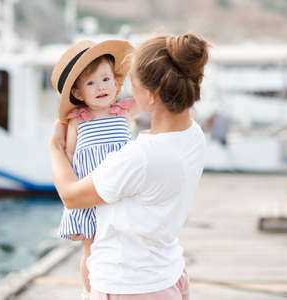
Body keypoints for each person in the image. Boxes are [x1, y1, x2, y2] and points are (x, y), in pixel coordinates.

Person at [50, 32, 209, 299]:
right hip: (167, 274)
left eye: (132, 83)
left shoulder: (138, 158)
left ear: (151, 95)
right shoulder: (193, 135)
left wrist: (55, 148)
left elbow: (71, 196)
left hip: (128, 286)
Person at [50, 39, 136, 298]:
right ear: (77, 94)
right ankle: (92, 291)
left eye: (106, 79)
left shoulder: (122, 113)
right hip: (90, 193)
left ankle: (123, 285)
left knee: (124, 244)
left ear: (116, 82)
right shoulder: (78, 121)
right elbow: (70, 154)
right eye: (91, 83)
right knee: (91, 249)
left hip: (121, 192)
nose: (101, 87)